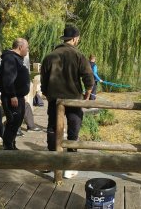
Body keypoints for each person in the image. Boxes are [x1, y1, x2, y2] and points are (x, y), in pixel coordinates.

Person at [41, 26, 94, 178]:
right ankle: (70, 163)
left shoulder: (50, 56)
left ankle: (51, 160)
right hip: (73, 99)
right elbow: (88, 76)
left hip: (55, 100)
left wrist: (46, 92)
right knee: (73, 129)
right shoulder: (78, 55)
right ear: (75, 38)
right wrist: (88, 92)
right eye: (78, 38)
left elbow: (44, 80)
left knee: (52, 128)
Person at [0, 38, 30, 150]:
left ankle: (11, 144)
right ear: (20, 47)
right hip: (12, 97)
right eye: (27, 47)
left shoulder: (16, 58)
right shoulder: (10, 58)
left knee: (17, 122)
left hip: (18, 96)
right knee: (13, 121)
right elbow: (8, 79)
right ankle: (8, 146)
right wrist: (13, 95)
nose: (27, 50)